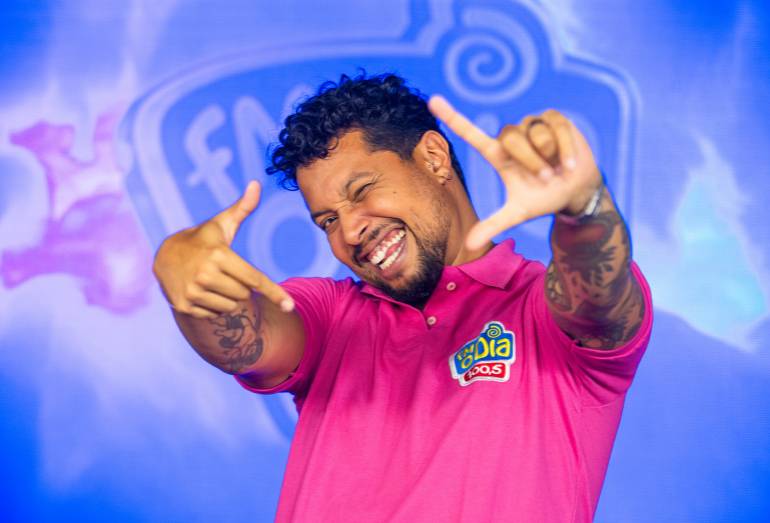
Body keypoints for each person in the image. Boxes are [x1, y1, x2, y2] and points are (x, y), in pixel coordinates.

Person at [153, 73, 652, 522]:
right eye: (327, 220)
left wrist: (584, 209)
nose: (350, 231)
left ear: (433, 158)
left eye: (362, 191)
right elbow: (244, 344)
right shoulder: (332, 318)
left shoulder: (542, 312)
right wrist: (182, 271)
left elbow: (599, 300)